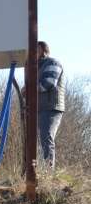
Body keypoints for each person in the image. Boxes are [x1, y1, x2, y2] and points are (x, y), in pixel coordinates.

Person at [37, 41, 65, 169]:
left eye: (35, 49)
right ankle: (42, 169)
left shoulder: (53, 63)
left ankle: (49, 172)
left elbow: (48, 83)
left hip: (51, 107)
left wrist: (29, 89)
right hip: (40, 107)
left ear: (43, 50)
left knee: (46, 137)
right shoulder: (37, 67)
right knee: (41, 139)